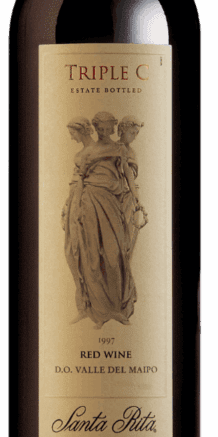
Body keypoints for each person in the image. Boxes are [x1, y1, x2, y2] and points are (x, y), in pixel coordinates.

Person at [74, 111, 137, 329]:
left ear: (112, 128)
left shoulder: (119, 149)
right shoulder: (88, 151)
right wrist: (76, 207)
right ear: (95, 128)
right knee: (92, 255)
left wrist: (138, 200)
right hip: (90, 201)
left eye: (107, 128)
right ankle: (99, 311)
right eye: (99, 128)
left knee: (114, 255)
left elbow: (128, 175)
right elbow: (80, 180)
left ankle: (117, 309)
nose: (103, 131)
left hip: (112, 203)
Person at [61, 117, 94, 324]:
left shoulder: (96, 152)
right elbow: (74, 184)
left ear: (81, 131)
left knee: (87, 254)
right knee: (72, 253)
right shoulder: (79, 154)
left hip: (87, 207)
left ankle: (94, 307)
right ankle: (83, 306)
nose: (71, 137)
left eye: (72, 133)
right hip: (74, 204)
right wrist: (67, 207)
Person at [117, 116, 147, 263]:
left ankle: (125, 269)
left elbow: (130, 176)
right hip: (113, 195)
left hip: (129, 196)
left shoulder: (131, 152)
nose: (134, 137)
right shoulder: (112, 148)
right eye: (132, 133)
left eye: (136, 134)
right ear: (123, 130)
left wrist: (136, 199)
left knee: (129, 236)